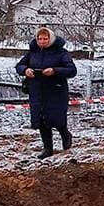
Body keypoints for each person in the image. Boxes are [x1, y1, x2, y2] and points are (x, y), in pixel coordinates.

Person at [14, 26, 77, 158]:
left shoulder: (61, 52)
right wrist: (26, 70)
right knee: (42, 120)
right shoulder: (33, 52)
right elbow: (19, 66)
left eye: (45, 38)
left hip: (56, 91)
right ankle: (48, 149)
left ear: (51, 39)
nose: (42, 41)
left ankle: (65, 134)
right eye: (40, 38)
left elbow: (72, 70)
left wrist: (54, 71)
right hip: (37, 91)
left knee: (57, 118)